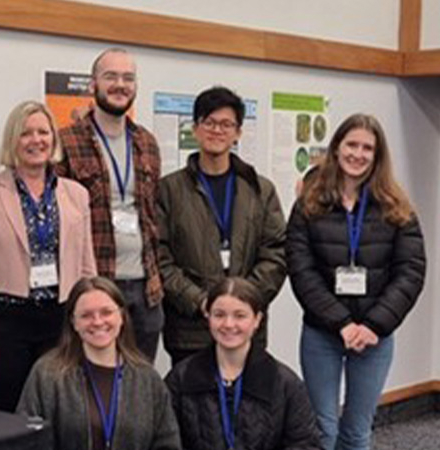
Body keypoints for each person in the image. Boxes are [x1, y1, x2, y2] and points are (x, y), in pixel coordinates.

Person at [286, 113, 426, 450]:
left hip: (375, 336)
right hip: (322, 333)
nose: (358, 154)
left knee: (357, 432)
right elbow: (301, 269)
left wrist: (374, 325)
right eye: (351, 144)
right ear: (336, 148)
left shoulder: (397, 206)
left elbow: (411, 271)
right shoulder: (309, 202)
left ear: (378, 157)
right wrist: (342, 323)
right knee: (323, 429)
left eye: (368, 148)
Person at [0, 100, 97, 412]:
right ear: (13, 140)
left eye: (43, 132)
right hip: (4, 325)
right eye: (26, 133)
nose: (37, 141)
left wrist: (91, 329)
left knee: (61, 416)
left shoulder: (76, 195)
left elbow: (88, 272)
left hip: (60, 323)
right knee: (7, 420)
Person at [157, 86, 286, 366]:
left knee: (246, 405)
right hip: (190, 330)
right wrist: (202, 302)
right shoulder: (169, 190)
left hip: (245, 329)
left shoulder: (260, 190)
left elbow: (276, 254)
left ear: (238, 132)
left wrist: (241, 305)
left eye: (226, 124)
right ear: (195, 129)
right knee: (191, 406)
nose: (218, 131)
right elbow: (160, 259)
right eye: (210, 122)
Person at [56, 48, 164, 362]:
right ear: (93, 85)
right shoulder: (67, 141)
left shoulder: (147, 142)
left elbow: (151, 213)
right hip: (96, 285)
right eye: (111, 77)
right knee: (92, 380)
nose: (120, 84)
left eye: (128, 78)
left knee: (140, 380)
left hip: (147, 288)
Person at [18, 276, 181, 450]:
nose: (97, 322)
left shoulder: (148, 379)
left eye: (106, 312)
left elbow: (168, 443)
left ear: (122, 317)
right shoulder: (47, 375)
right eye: (86, 315)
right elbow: (27, 440)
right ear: (74, 322)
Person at [166, 277, 320, 450]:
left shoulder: (285, 384)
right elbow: (164, 441)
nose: (229, 324)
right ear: (207, 316)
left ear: (257, 320)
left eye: (240, 316)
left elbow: (305, 444)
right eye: (219, 315)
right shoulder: (181, 378)